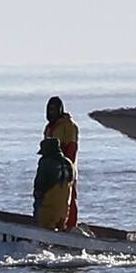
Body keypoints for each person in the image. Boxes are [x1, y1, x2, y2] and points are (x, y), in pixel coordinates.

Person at [43, 96, 79, 229]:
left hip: (64, 169)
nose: (51, 112)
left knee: (68, 196)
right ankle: (50, 224)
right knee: (49, 197)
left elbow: (71, 149)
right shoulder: (49, 128)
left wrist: (66, 167)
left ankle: (69, 226)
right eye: (49, 109)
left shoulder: (68, 127)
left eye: (53, 109)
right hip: (49, 169)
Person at [33, 137, 74, 230]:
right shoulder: (69, 162)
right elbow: (71, 180)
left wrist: (37, 195)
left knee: (42, 228)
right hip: (63, 207)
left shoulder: (45, 162)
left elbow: (40, 184)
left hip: (48, 207)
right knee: (60, 227)